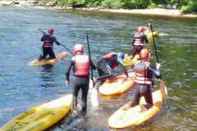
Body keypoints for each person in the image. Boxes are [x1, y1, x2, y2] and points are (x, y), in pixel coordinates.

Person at [65, 44, 95, 116]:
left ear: (75, 51)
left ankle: (74, 112)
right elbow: (94, 68)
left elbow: (67, 71)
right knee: (84, 97)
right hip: (85, 80)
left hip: (76, 80)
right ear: (82, 51)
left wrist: (67, 79)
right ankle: (84, 114)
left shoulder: (73, 58)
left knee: (75, 95)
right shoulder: (88, 57)